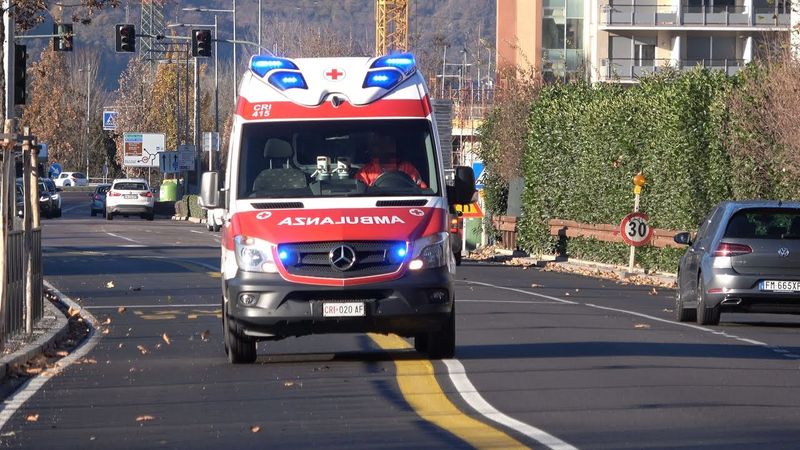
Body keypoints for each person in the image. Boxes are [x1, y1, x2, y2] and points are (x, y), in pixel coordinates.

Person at [355, 135, 428, 188]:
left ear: (395, 146)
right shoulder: (365, 172)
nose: (384, 148)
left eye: (389, 143)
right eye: (378, 144)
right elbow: (358, 196)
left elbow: (422, 190)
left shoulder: (408, 168)